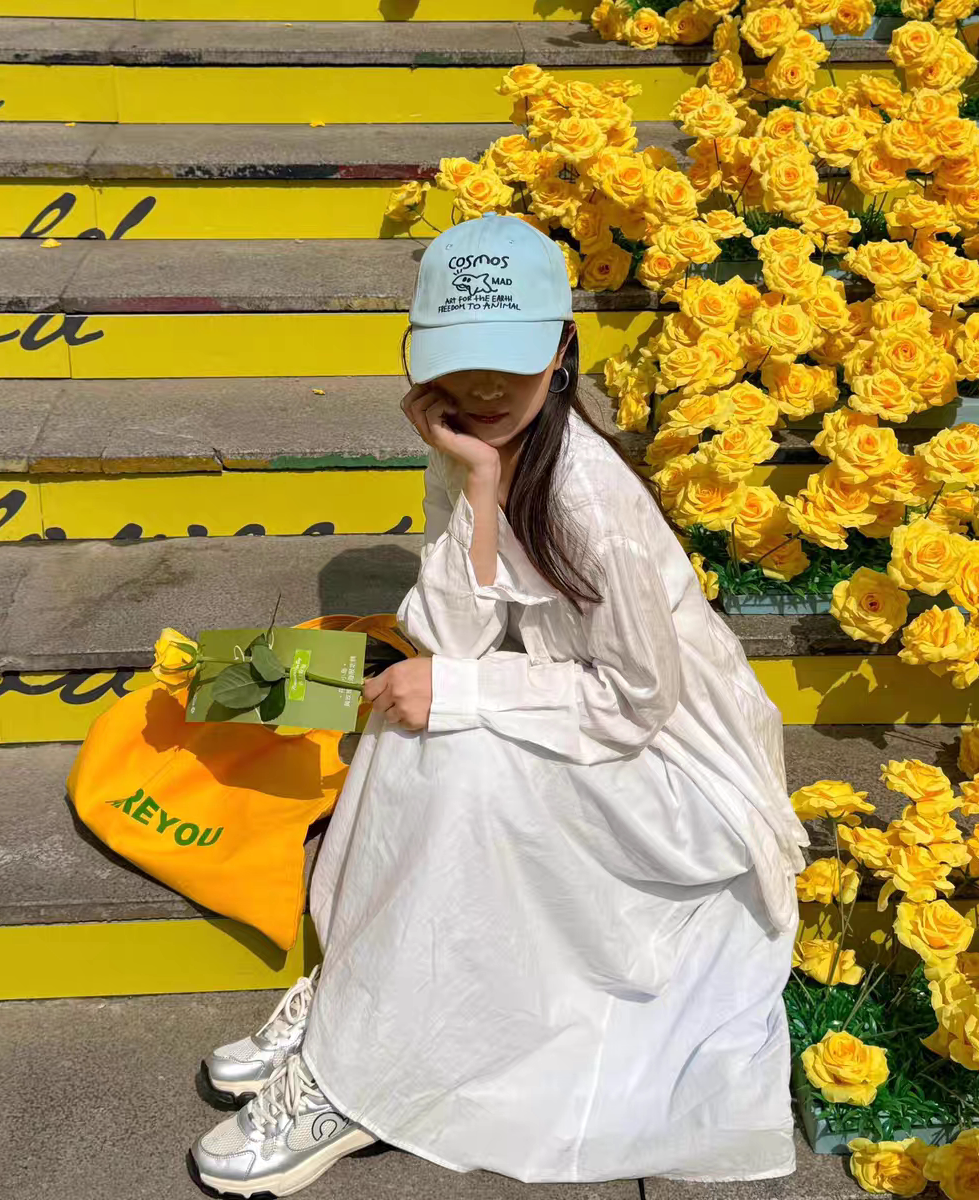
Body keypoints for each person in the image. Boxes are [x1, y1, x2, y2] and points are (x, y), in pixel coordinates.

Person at [188, 213, 811, 1198]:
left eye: (507, 362)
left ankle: (360, 1075)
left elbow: (638, 701)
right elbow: (455, 635)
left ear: (562, 353)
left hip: (684, 781)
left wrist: (464, 691)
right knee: (415, 713)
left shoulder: (590, 504)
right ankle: (353, 1003)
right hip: (600, 726)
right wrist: (477, 485)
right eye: (458, 361)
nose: (481, 389)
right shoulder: (477, 449)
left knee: (451, 735)